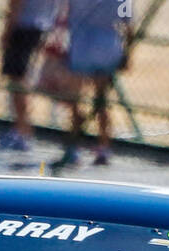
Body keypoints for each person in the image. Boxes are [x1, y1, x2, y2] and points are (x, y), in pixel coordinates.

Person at [58, 0, 133, 167]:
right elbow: (128, 24)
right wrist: (127, 53)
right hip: (107, 48)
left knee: (75, 98)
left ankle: (74, 146)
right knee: (101, 101)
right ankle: (103, 147)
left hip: (80, 47)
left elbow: (65, 13)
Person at [0, 0, 60, 151]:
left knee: (18, 80)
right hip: (45, 27)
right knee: (24, 79)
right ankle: (21, 128)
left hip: (24, 27)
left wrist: (7, 31)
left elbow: (15, 5)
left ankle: (22, 131)